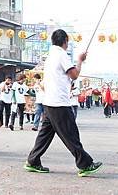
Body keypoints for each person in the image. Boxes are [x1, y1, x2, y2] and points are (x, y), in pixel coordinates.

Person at [25, 29, 103, 176]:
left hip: (50, 102)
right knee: (71, 135)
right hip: (59, 103)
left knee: (45, 135)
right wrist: (80, 61)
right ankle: (85, 164)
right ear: (65, 41)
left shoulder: (50, 55)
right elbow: (74, 75)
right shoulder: (61, 54)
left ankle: (33, 161)